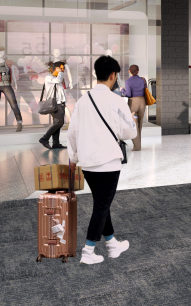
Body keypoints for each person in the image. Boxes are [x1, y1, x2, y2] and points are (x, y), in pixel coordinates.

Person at [67, 55, 137, 265]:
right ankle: (88, 251)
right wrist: (132, 120)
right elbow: (130, 133)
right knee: (102, 206)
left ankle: (112, 244)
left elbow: (72, 132)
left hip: (87, 163)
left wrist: (73, 157)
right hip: (108, 162)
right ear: (113, 75)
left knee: (102, 203)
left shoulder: (82, 100)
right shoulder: (116, 100)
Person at [38, 61, 68, 150]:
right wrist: (60, 73)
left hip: (60, 104)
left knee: (57, 124)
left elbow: (61, 93)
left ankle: (56, 143)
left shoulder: (56, 78)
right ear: (56, 68)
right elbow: (58, 80)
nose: (63, 70)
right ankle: (44, 138)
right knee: (60, 123)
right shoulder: (49, 77)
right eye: (61, 68)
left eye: (63, 68)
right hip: (55, 105)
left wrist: (64, 103)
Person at [123, 65, 148, 151]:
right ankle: (138, 145)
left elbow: (128, 95)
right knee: (140, 124)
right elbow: (146, 90)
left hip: (134, 102)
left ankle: (137, 146)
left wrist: (122, 90)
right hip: (143, 101)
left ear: (129, 71)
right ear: (138, 71)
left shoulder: (128, 81)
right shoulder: (143, 79)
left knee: (133, 123)